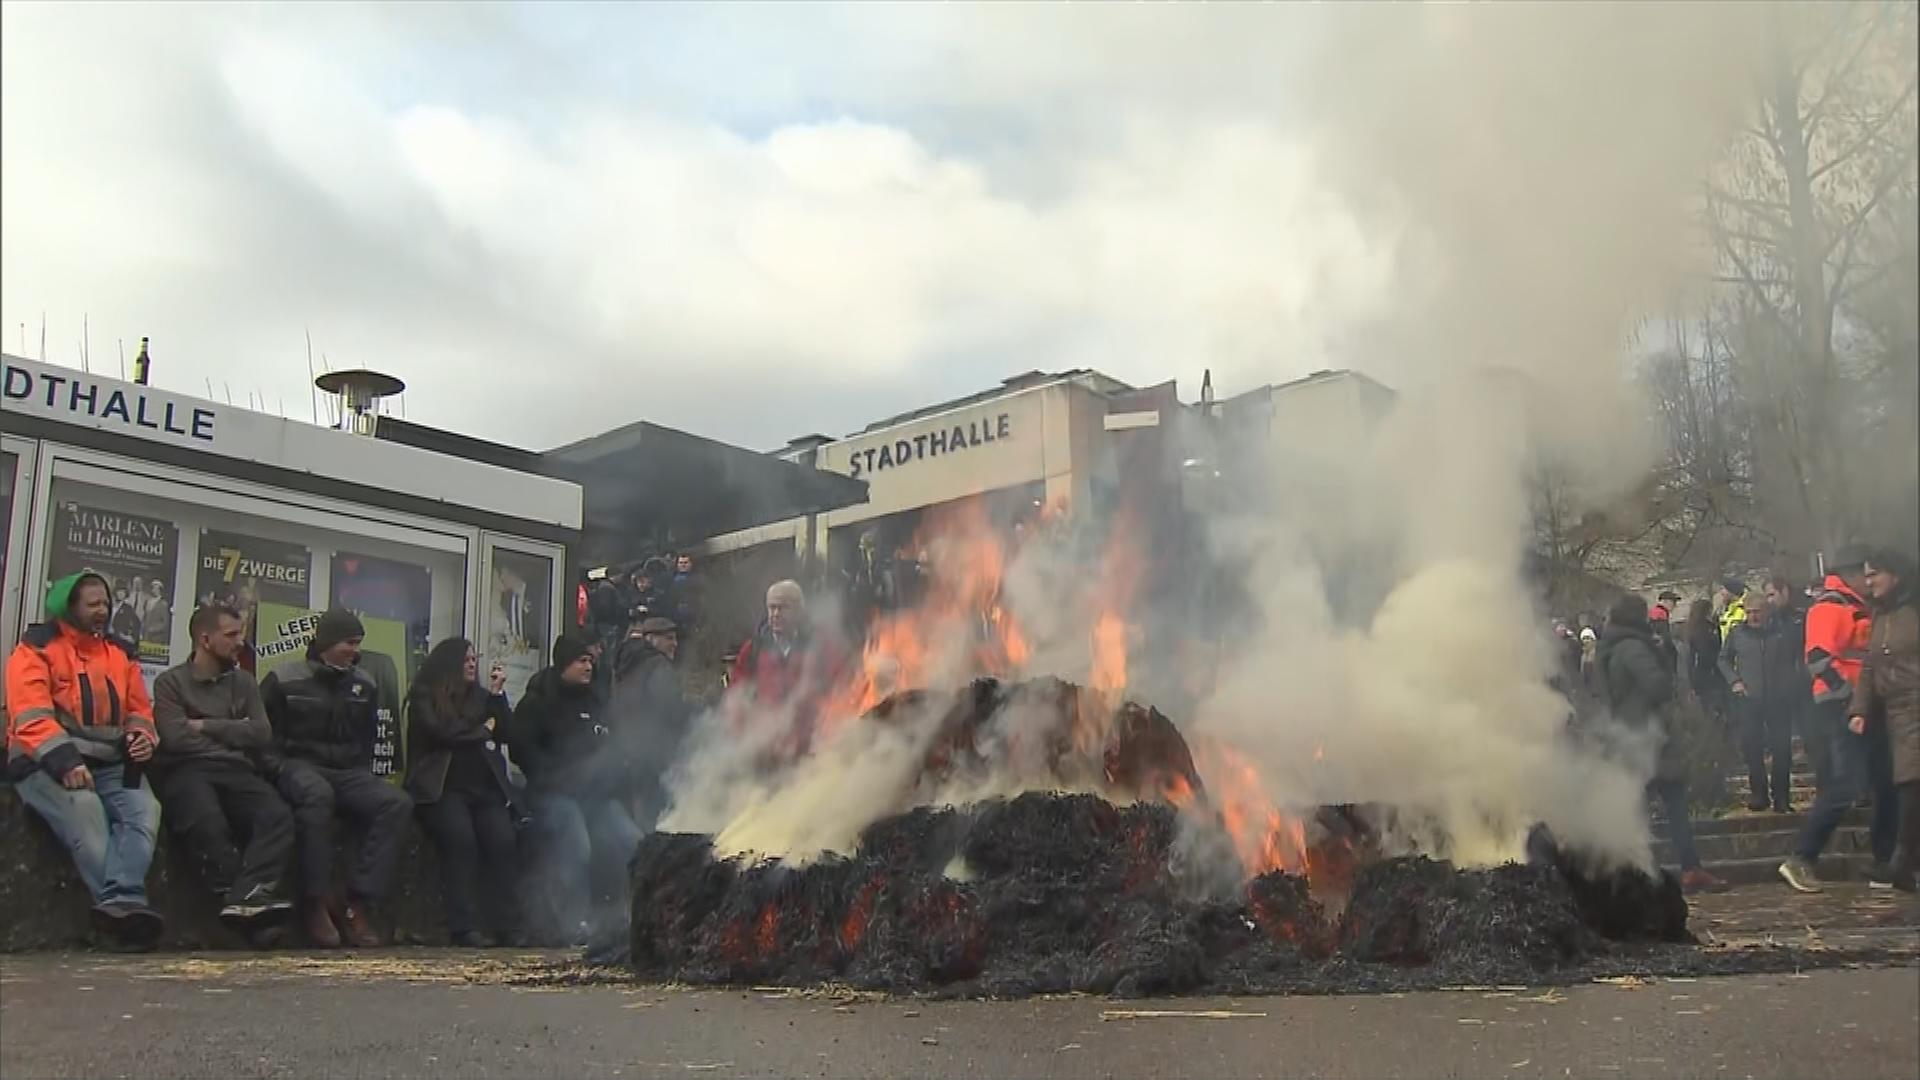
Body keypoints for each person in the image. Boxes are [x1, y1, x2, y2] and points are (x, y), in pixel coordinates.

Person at [4, 571, 165, 947]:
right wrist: (66, 762)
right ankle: (126, 909)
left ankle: (117, 908)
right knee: (86, 812)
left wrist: (142, 739)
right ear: (69, 607)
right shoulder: (36, 649)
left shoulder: (121, 653)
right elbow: (30, 718)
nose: (102, 611)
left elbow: (140, 712)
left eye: (105, 603)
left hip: (110, 762)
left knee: (145, 811)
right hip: (44, 762)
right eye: (92, 604)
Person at [260, 609, 415, 947]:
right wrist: (276, 767)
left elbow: (369, 737)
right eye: (349, 642)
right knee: (316, 796)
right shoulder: (283, 678)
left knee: (395, 803)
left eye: (358, 643)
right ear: (327, 642)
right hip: (297, 764)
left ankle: (355, 900)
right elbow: (263, 734)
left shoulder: (364, 683)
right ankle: (314, 902)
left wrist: (363, 776)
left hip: (347, 770)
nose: (355, 650)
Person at [150, 605, 296, 945]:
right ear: (204, 639)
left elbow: (261, 733)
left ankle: (244, 896)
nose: (240, 643)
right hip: (188, 769)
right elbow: (175, 738)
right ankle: (246, 907)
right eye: (231, 636)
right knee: (205, 819)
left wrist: (205, 725)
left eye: (241, 634)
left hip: (236, 771)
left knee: (277, 815)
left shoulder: (244, 682)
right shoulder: (170, 683)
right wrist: (233, 734)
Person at [1779, 546, 1898, 893]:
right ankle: (1801, 857)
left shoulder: (1859, 607)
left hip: (1866, 706)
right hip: (1843, 706)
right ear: (1848, 573)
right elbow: (1817, 658)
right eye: (1865, 572)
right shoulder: (1830, 607)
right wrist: (1852, 701)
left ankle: (1884, 862)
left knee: (1885, 783)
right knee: (1847, 782)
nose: (1869, 578)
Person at [509, 634, 635, 945]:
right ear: (564, 662)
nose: (588, 666)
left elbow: (612, 745)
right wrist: (559, 777)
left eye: (591, 660)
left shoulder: (593, 701)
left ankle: (624, 917)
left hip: (594, 796)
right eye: (582, 660)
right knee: (575, 844)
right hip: (551, 795)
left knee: (630, 841)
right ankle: (574, 922)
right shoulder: (538, 701)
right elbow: (520, 750)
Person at [1597, 592, 1724, 894]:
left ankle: (1642, 870)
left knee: (1644, 808)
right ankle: (1681, 869)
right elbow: (1658, 686)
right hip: (1649, 739)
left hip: (1631, 737)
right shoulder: (1632, 647)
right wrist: (1663, 659)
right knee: (1672, 805)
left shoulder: (1611, 646)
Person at [405, 638, 523, 946]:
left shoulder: (482, 697)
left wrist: (498, 698)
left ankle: (508, 924)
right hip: (441, 788)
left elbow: (508, 733)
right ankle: (463, 925)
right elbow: (441, 733)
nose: (472, 664)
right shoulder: (424, 695)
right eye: (466, 659)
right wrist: (483, 730)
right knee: (461, 840)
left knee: (503, 840)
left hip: (484, 790)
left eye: (474, 659)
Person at [1851, 549, 1918, 891]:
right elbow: (1869, 665)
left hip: (1916, 707)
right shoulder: (1879, 614)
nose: (1868, 581)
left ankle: (1903, 863)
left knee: (1910, 782)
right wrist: (1859, 709)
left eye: (1874, 573)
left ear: (1896, 574)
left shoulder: (1913, 610)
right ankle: (1901, 863)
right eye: (1866, 574)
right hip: (1891, 714)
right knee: (1902, 781)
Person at [729, 580, 844, 759]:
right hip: (768, 749)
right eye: (771, 608)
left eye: (783, 608)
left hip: (812, 747)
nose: (775, 614)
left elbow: (840, 687)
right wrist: (744, 738)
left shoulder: (819, 645)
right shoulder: (753, 650)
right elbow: (737, 696)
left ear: (799, 610)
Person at [610, 616, 692, 830]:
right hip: (656, 761)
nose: (675, 644)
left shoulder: (624, 666)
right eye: (669, 638)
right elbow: (672, 710)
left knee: (637, 823)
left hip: (628, 757)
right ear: (650, 639)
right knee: (660, 825)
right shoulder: (659, 666)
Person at [1718, 601, 1799, 813]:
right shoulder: (1737, 634)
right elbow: (1723, 659)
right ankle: (1759, 794)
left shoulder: (1780, 633)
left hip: (1778, 699)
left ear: (1766, 612)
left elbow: (1794, 659)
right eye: (1749, 612)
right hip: (1749, 698)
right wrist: (1734, 681)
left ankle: (1781, 797)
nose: (1753, 616)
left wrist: (1788, 683)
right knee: (1752, 749)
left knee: (1782, 749)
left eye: (1757, 612)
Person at [1762, 573, 1819, 790]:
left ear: (1784, 590)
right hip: (1778, 691)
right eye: (1766, 596)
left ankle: (1825, 790)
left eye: (1772, 595)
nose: (1769, 601)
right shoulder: (1769, 622)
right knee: (1780, 747)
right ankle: (1781, 797)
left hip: (1804, 687)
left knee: (1813, 739)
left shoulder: (1802, 616)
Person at [1683, 598, 1727, 721]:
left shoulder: (1692, 629)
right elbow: (1706, 653)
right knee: (1717, 707)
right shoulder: (1707, 629)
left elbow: (1690, 657)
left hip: (1699, 675)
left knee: (1708, 709)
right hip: (1711, 674)